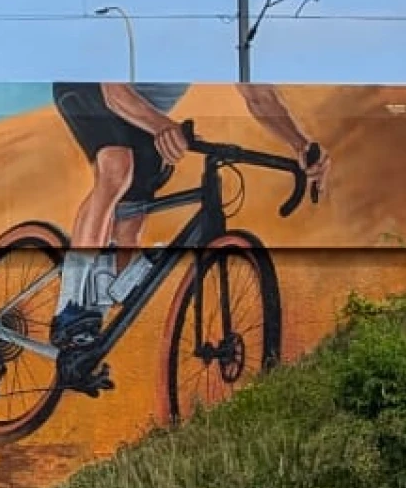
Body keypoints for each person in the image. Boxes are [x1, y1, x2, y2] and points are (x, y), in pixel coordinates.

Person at [48, 80, 332, 352]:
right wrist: (162, 127)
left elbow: (259, 95)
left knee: (131, 222)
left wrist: (301, 145)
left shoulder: (228, 36)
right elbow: (114, 93)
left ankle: (86, 338)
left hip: (143, 115)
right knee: (117, 167)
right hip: (91, 87)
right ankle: (70, 305)